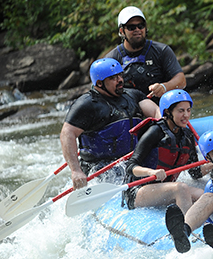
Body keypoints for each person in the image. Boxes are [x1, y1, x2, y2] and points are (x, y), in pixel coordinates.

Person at [60, 57, 160, 189]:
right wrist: (75, 171)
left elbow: (155, 112)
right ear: (100, 83)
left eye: (120, 75)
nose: (120, 80)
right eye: (113, 78)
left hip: (131, 163)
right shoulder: (87, 104)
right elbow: (67, 133)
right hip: (100, 170)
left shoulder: (132, 95)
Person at [121, 89, 209, 213]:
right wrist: (151, 171)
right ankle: (189, 227)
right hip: (138, 190)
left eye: (188, 110)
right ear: (168, 112)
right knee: (181, 188)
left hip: (164, 188)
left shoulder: (187, 136)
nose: (186, 115)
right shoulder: (155, 132)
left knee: (203, 194)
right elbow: (130, 166)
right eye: (181, 111)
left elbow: (194, 172)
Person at [105, 6, 186, 100]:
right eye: (131, 27)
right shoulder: (112, 59)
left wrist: (164, 87)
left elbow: (181, 80)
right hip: (129, 109)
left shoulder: (162, 50)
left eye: (141, 26)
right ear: (122, 31)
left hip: (160, 108)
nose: (137, 30)